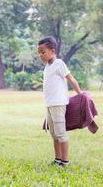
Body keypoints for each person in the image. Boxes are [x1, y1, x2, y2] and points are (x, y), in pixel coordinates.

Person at [38, 36, 82, 167]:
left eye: (43, 52)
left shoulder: (59, 64)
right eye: (39, 52)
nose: (40, 55)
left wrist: (80, 94)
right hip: (50, 105)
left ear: (52, 51)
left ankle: (65, 161)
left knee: (61, 133)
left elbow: (71, 79)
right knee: (54, 134)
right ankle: (57, 160)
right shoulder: (47, 67)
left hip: (58, 104)